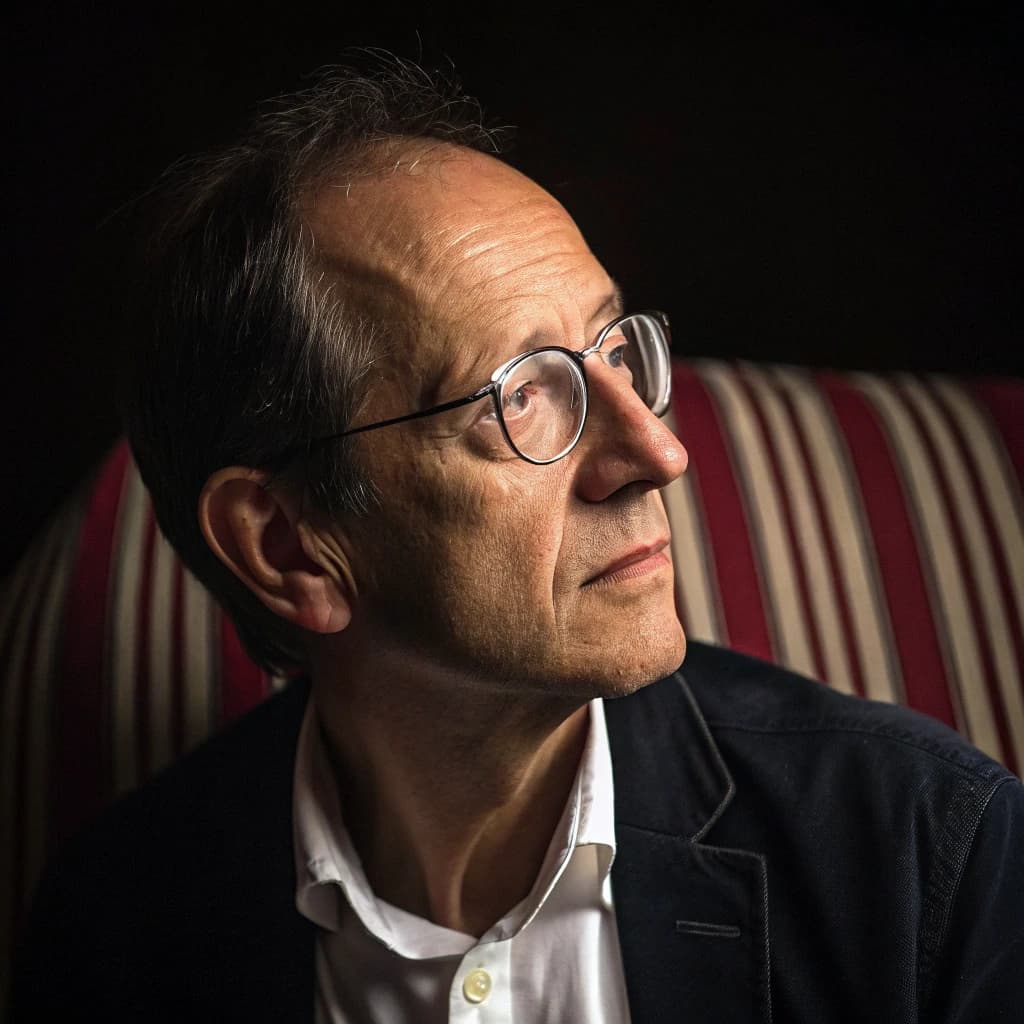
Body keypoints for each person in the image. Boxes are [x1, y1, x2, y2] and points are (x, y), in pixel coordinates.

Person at [12, 56, 1023, 1023]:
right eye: (521, 396)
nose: (657, 452)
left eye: (614, 349)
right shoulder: (113, 939)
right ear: (289, 544)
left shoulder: (927, 857)